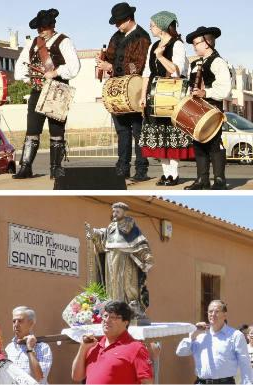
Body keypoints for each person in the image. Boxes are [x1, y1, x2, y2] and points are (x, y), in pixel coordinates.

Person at [13, 9, 81, 180]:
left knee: (56, 131)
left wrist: (56, 72)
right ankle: (25, 167)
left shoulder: (64, 41)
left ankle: (55, 168)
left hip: (58, 90)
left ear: (52, 26)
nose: (41, 31)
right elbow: (20, 66)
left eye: (44, 27)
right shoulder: (32, 43)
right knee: (32, 130)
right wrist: (27, 79)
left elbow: (74, 67)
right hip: (37, 90)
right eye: (39, 28)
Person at [96, 3, 151, 181]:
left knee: (138, 132)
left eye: (119, 22)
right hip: (117, 92)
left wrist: (111, 66)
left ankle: (141, 170)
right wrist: (103, 60)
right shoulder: (116, 36)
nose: (116, 25)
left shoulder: (142, 37)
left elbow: (138, 66)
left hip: (135, 92)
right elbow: (111, 55)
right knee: (122, 131)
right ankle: (123, 167)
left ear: (128, 19)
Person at [138, 11, 192, 186]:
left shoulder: (177, 45)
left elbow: (177, 71)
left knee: (171, 135)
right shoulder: (153, 46)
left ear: (161, 26)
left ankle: (174, 175)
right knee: (159, 135)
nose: (150, 27)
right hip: (154, 94)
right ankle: (165, 174)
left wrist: (160, 57)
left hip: (171, 95)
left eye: (152, 24)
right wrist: (142, 95)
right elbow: (147, 73)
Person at [85, 202, 154, 322]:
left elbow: (140, 242)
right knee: (112, 284)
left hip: (125, 259)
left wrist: (146, 256)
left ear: (124, 212)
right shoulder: (111, 227)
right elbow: (103, 240)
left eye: (117, 211)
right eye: (113, 211)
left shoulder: (130, 226)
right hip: (110, 258)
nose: (115, 214)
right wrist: (94, 233)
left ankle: (130, 309)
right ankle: (113, 309)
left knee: (127, 284)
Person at [183, 26, 232, 190]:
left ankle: (219, 180)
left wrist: (205, 92)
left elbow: (225, 89)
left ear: (207, 43)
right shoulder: (196, 63)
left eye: (196, 43)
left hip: (212, 110)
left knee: (214, 144)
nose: (194, 46)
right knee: (198, 144)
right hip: (196, 111)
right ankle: (202, 180)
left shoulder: (218, 62)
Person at [71, 301, 153, 384]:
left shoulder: (136, 348)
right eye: (105, 316)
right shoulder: (94, 345)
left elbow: (147, 382)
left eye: (113, 317)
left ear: (126, 322)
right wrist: (83, 349)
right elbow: (77, 377)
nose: (107, 320)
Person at [176, 300, 252, 384]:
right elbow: (180, 352)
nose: (213, 314)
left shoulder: (235, 335)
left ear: (225, 315)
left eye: (217, 311)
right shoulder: (200, 335)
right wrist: (192, 336)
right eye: (210, 311)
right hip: (201, 382)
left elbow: (245, 364)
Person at [5, 306, 52, 383]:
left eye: (20, 321)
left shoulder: (43, 348)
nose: (16, 325)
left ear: (31, 324)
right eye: (14, 321)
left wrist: (30, 349)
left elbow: (39, 378)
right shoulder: (9, 348)